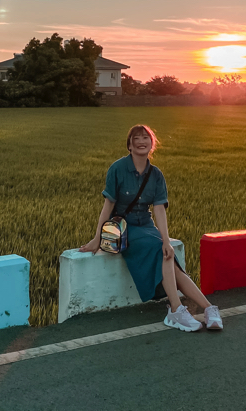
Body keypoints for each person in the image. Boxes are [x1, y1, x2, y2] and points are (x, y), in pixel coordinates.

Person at [79, 124, 223, 332]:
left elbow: (159, 211)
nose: (141, 141)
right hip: (125, 228)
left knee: (167, 255)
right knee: (160, 251)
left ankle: (208, 308)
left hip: (146, 225)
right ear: (129, 145)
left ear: (152, 144)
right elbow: (108, 205)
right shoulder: (117, 169)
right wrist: (97, 237)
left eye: (146, 137)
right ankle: (176, 309)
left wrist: (166, 240)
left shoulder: (155, 175)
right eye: (136, 138)